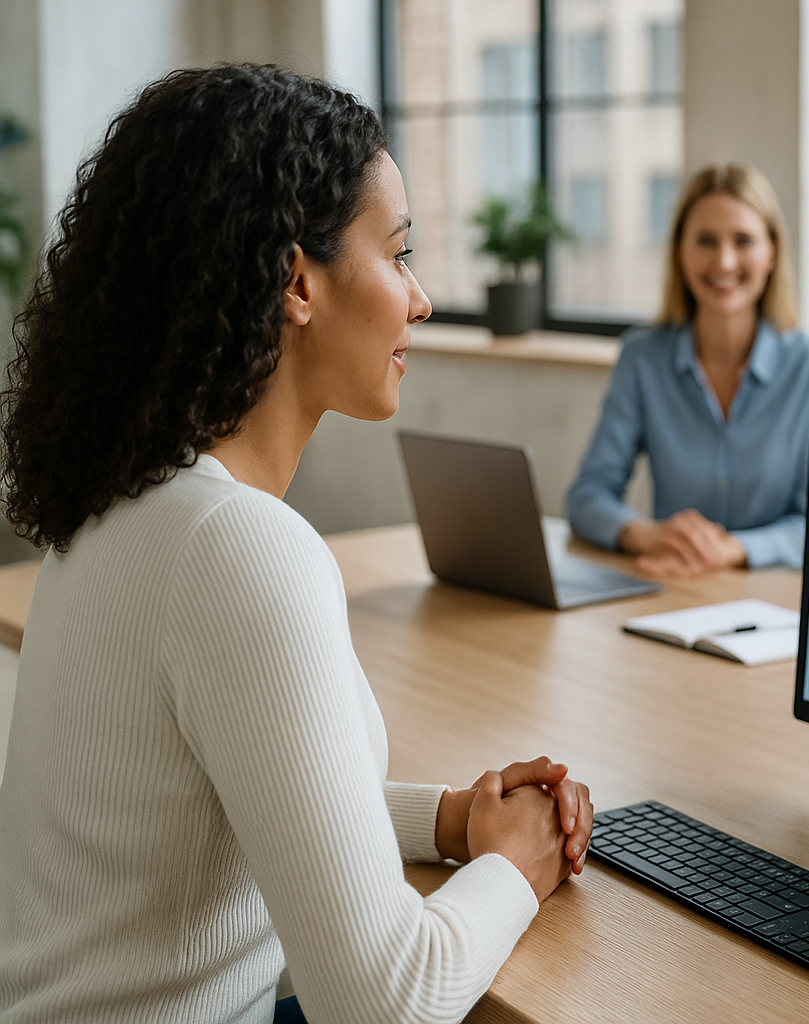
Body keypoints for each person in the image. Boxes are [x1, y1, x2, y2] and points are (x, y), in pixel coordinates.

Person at [0, 65, 594, 1024]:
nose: (421, 297)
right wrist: (517, 863)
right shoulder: (238, 552)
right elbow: (386, 1000)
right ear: (296, 279)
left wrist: (447, 820)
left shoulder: (135, 503)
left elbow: (235, 800)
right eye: (397, 254)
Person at [565, 163, 809, 576]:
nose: (724, 260)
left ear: (771, 251)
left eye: (743, 240)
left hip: (772, 603)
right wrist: (644, 534)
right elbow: (587, 495)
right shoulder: (642, 358)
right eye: (705, 240)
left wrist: (734, 548)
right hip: (672, 589)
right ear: (680, 251)